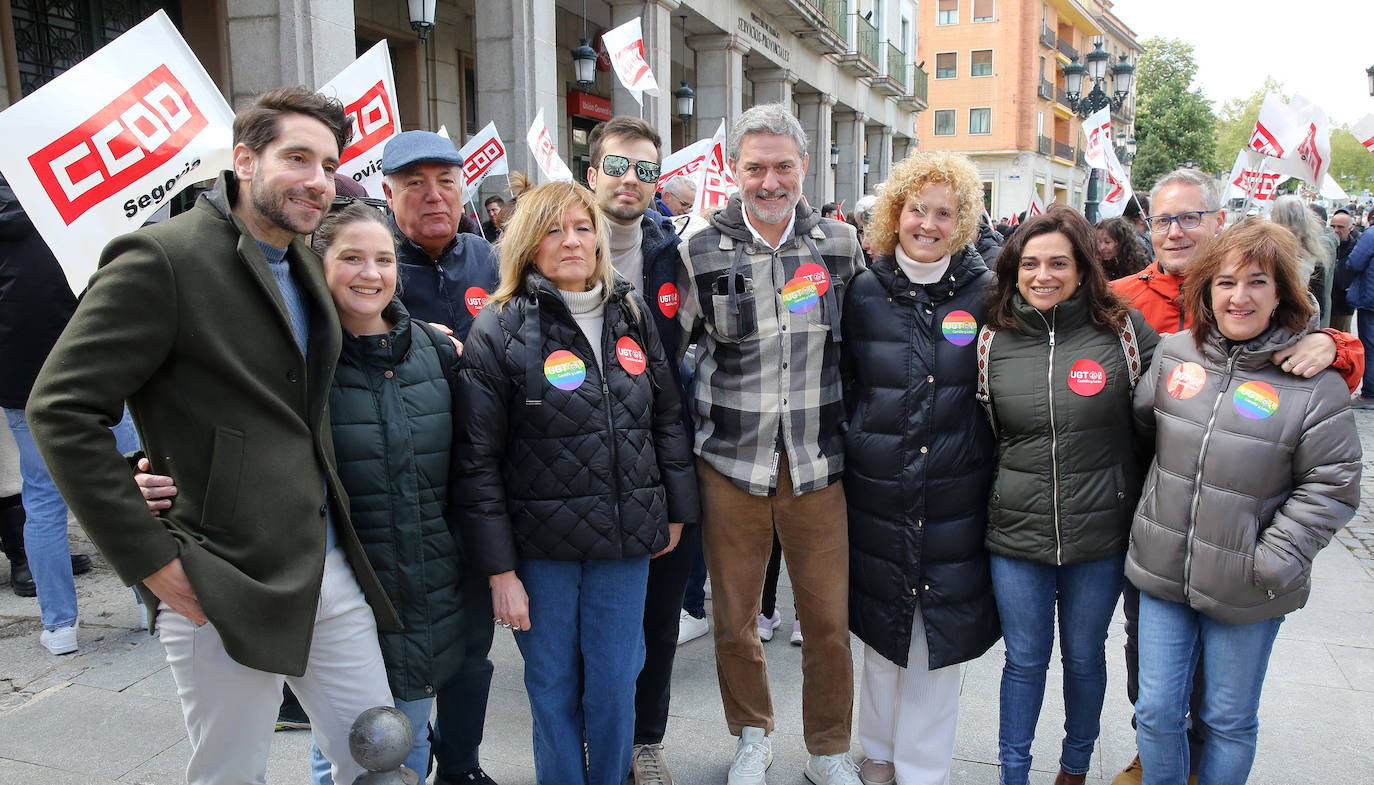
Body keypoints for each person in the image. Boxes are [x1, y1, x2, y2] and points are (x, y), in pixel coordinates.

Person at [25, 86, 397, 785]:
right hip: (218, 573)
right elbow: (60, 407)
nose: (317, 180)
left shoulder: (306, 263)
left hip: (326, 563)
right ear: (245, 161)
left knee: (377, 754)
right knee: (230, 775)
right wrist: (147, 556)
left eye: (328, 164)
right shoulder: (161, 257)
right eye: (297, 158)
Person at [135, 201, 468, 784]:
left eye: (384, 259)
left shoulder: (435, 352)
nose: (371, 273)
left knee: (390, 748)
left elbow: (468, 468)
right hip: (309, 577)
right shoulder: (292, 358)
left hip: (416, 586)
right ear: (316, 266)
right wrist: (141, 477)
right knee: (322, 748)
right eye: (352, 258)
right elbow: (209, 428)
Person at [1107, 168, 1362, 785]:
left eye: (1256, 283)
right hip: (1163, 567)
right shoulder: (1173, 352)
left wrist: (1271, 560)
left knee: (1226, 718)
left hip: (1249, 583)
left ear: (1282, 294)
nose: (1239, 297)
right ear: (1206, 290)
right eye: (1225, 283)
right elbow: (1142, 431)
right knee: (1156, 712)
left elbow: (1333, 482)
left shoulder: (1310, 377)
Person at [456, 181, 697, 785]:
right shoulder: (498, 327)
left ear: (598, 240)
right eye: (553, 229)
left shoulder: (631, 313)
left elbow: (667, 417)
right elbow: (477, 460)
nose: (571, 241)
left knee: (616, 683)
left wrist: (675, 510)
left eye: (582, 227)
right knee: (553, 686)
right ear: (527, 244)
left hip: (624, 543)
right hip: (540, 552)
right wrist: (500, 572)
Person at [676, 103, 866, 785]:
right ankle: (751, 736)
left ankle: (828, 749)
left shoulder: (840, 245)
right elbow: (679, 352)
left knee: (828, 622)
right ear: (734, 169)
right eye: (755, 167)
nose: (769, 181)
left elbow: (860, 348)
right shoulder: (699, 250)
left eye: (783, 166)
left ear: (804, 166)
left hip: (818, 462)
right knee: (734, 621)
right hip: (731, 462)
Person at [980, 205, 1159, 785]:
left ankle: (1075, 767)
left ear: (1083, 268)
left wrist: (1330, 343)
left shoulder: (1125, 331)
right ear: (1014, 269)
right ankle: (1013, 773)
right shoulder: (992, 338)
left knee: (1084, 658)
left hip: (1100, 532)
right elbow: (985, 431)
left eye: (1058, 263)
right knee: (1023, 661)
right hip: (1016, 531)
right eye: (1030, 263)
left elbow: (1172, 403)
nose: (1043, 275)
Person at [842, 151, 1003, 785]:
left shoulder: (988, 292)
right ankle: (878, 752)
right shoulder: (864, 290)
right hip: (878, 488)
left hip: (954, 491)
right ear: (895, 213)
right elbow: (848, 381)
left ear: (963, 222)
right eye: (917, 209)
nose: (928, 224)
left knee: (936, 638)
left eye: (945, 213)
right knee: (882, 628)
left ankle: (922, 768)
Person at [379, 130, 501, 785]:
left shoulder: (490, 259)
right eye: (415, 183)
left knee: (472, 648)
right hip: (395, 491)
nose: (434, 196)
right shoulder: (368, 261)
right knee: (398, 648)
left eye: (446, 182)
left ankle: (461, 764)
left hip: (478, 487)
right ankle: (404, 758)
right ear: (387, 191)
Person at [584, 114, 703, 785]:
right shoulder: (555, 243)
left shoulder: (677, 256)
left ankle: (645, 742)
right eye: (617, 165)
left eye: (646, 169)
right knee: (592, 626)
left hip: (661, 463)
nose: (630, 179)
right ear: (592, 172)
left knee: (659, 618)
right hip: (574, 466)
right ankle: (596, 739)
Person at [0, 176, 114, 625]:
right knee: (124, 483)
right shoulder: (63, 215)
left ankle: (59, 626)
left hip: (20, 384)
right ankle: (153, 603)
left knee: (42, 498)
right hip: (88, 372)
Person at [1271, 195, 1333, 327]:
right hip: (1298, 321)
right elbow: (1319, 302)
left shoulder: (1266, 251)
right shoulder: (1314, 252)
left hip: (1284, 321)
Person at [1330, 208, 1358, 332]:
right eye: (1333, 226)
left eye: (1340, 227)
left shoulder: (1356, 249)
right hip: (1325, 305)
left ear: (1350, 228)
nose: (1336, 230)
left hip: (1342, 307)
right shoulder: (1325, 245)